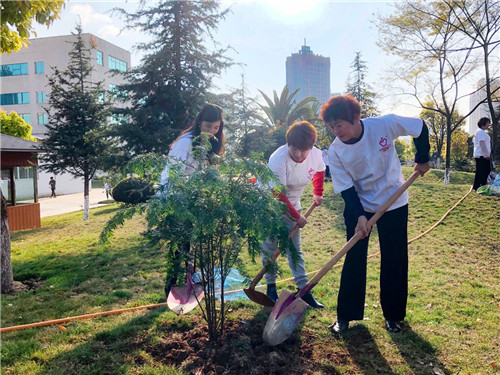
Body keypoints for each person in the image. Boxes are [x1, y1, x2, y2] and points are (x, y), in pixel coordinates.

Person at [320, 95, 430, 334]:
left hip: (395, 200)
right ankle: (345, 316)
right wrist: (359, 216)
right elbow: (346, 189)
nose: (336, 131)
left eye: (339, 124)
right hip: (359, 203)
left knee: (394, 258)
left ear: (356, 118)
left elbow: (420, 127)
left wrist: (423, 158)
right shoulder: (336, 151)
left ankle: (393, 315)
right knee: (354, 257)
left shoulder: (384, 125)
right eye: (331, 126)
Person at [159, 103, 226, 297]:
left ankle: (189, 280)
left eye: (216, 127)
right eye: (207, 126)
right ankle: (171, 287)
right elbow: (174, 175)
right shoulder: (184, 142)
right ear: (199, 123)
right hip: (175, 196)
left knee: (192, 241)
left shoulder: (212, 143)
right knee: (180, 244)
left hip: (194, 196)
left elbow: (208, 172)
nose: (212, 131)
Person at [261, 121, 326, 309]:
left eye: (303, 151)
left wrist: (318, 192)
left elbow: (320, 170)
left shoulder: (315, 154)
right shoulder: (278, 159)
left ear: (311, 147)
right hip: (269, 205)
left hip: (293, 204)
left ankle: (303, 290)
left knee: (294, 249)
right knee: (270, 247)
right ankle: (270, 288)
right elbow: (278, 195)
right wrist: (297, 217)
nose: (298, 155)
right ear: (288, 144)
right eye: (294, 149)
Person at [472, 117, 492, 191]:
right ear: (483, 124)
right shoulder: (481, 132)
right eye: (487, 123)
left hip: (481, 154)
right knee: (484, 171)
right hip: (481, 155)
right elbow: (482, 144)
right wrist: (487, 155)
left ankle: (478, 185)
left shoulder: (479, 132)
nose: (488, 125)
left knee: (482, 171)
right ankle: (481, 185)